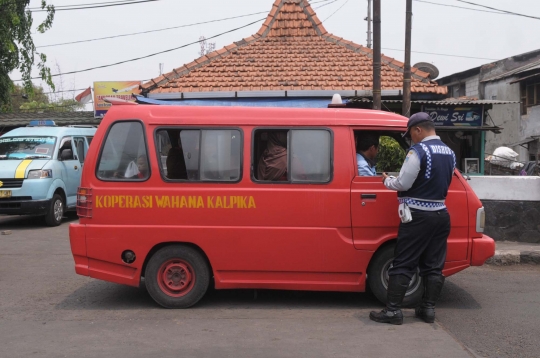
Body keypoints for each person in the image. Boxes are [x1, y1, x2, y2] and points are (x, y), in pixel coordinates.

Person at [369, 112, 455, 325]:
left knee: (404, 262)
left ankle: (393, 312)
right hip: (441, 214)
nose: (410, 139)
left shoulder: (418, 151)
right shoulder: (450, 152)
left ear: (418, 130)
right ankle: (428, 310)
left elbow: (403, 184)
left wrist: (387, 181)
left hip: (417, 216)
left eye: (411, 134)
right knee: (434, 265)